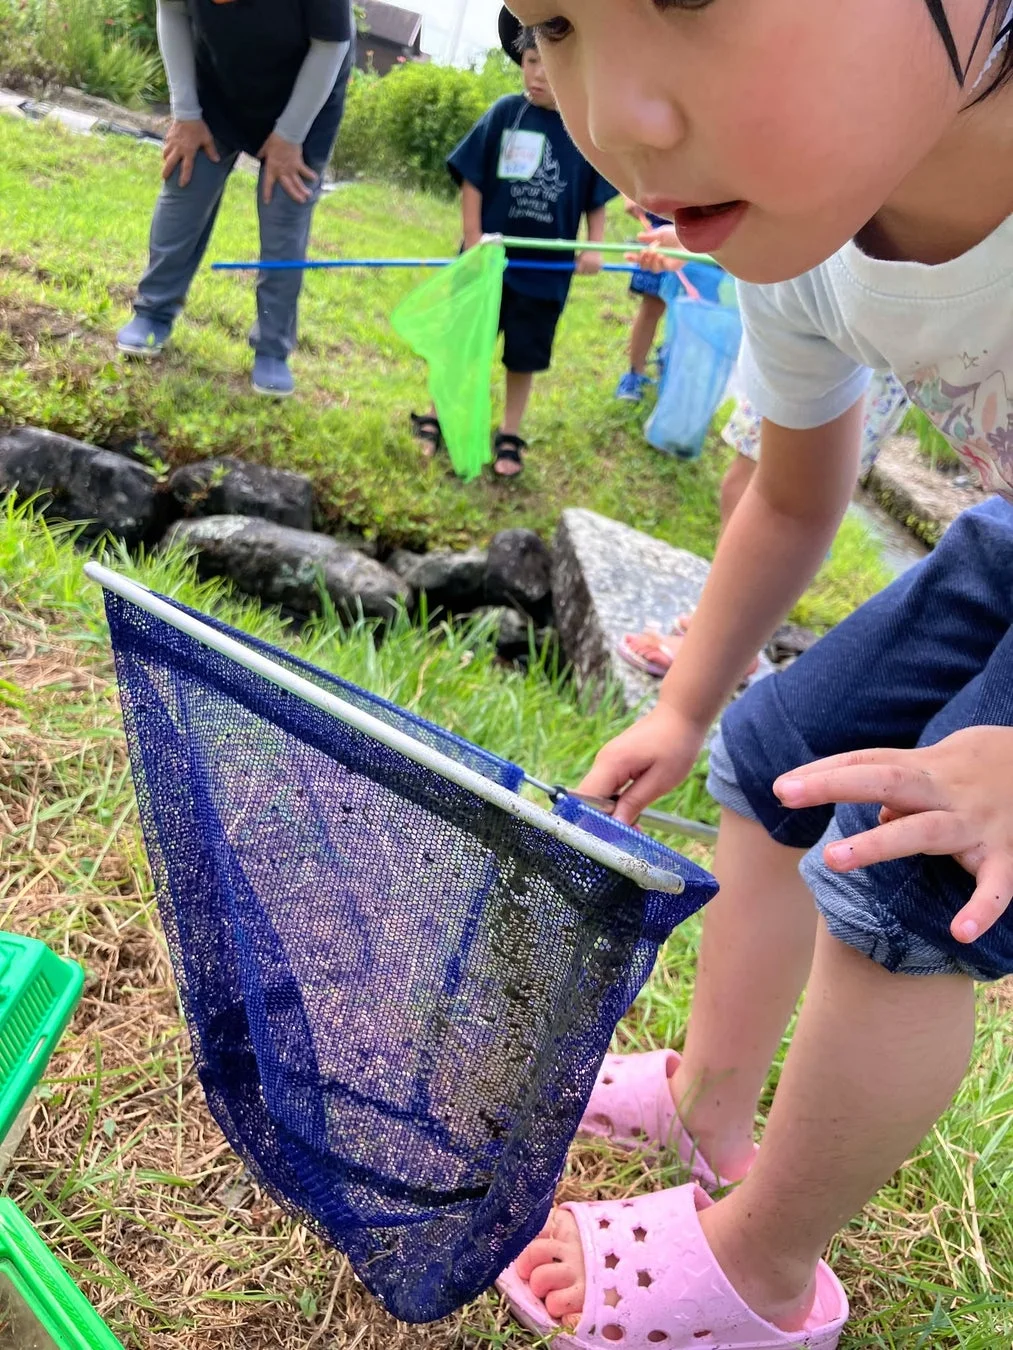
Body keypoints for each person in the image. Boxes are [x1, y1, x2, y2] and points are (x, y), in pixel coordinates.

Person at [491, 4, 1013, 1347]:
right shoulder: (797, 236)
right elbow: (792, 498)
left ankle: (763, 1262)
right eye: (556, 23)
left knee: (906, 866)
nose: (617, 121)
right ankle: (710, 1094)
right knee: (776, 745)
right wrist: (685, 698)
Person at [410, 8, 617, 479]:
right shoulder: (507, 113)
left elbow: (596, 198)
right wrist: (472, 239)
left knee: (524, 354)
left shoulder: (583, 130)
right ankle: (437, 416)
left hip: (545, 273)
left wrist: (594, 246)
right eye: (530, 61)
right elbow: (474, 179)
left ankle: (510, 432)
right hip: (488, 265)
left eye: (549, 62)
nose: (540, 74)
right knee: (465, 344)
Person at [117, 0, 354, 398]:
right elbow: (172, 10)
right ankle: (153, 312)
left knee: (285, 217)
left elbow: (330, 45)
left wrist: (290, 135)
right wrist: (186, 113)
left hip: (306, 98)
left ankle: (273, 349)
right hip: (218, 85)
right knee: (185, 186)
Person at [618, 363, 910, 679]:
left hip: (857, 357)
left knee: (790, 503)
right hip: (813, 337)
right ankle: (717, 630)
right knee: (741, 484)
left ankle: (725, 650)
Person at [614, 200, 669, 403]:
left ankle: (673, 362)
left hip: (703, 232)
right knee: (652, 304)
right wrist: (630, 196)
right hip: (660, 229)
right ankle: (634, 374)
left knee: (693, 307)